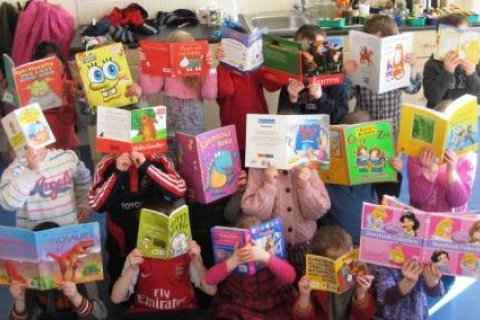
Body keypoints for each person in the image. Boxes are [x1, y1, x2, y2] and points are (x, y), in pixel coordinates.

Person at [344, 15, 421, 199]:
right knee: (365, 168)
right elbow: (347, 96)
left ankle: (388, 204)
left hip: (392, 130)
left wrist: (412, 70)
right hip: (365, 130)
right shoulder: (359, 64)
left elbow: (413, 89)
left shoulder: (398, 62)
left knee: (390, 170)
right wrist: (346, 75)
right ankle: (366, 202)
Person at [88, 151, 186, 289]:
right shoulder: (106, 164)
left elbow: (178, 190)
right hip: (120, 234)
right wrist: (117, 173)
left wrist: (146, 166)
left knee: (153, 276)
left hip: (154, 235)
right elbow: (97, 205)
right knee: (119, 272)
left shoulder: (159, 160)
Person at [110, 199, 216, 320]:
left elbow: (212, 290)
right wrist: (131, 269)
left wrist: (197, 262)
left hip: (183, 312)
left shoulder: (187, 252)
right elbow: (116, 298)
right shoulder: (137, 255)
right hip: (145, 313)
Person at [317, 110, 403, 245]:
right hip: (336, 241)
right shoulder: (326, 167)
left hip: (366, 237)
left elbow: (389, 196)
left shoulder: (375, 161)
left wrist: (394, 171)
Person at [138, 30, 219, 156]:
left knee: (192, 166)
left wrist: (211, 69)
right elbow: (148, 89)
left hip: (193, 134)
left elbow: (210, 95)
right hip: (170, 132)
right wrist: (144, 67)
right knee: (171, 164)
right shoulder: (166, 70)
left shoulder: (198, 68)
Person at [241, 164, 331, 278]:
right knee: (279, 292)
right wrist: (269, 186)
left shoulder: (306, 164)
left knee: (306, 290)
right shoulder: (258, 166)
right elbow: (252, 214)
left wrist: (305, 186)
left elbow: (319, 210)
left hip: (305, 247)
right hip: (270, 250)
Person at [8, 221, 107, 320]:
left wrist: (76, 298)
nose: (43, 265)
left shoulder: (82, 275)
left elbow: (99, 315)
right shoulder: (32, 279)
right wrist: (19, 302)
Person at [205, 215, 296, 319]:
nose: (250, 249)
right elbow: (209, 279)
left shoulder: (271, 250)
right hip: (239, 302)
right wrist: (233, 261)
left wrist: (265, 257)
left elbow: (291, 277)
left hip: (274, 300)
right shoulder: (234, 254)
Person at [216, 26, 280, 165]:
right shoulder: (221, 71)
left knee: (259, 174)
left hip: (259, 133)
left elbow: (272, 86)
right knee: (238, 176)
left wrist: (269, 61)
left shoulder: (254, 70)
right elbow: (226, 90)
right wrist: (222, 65)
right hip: (234, 134)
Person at [291, 225, 376, 320]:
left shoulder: (359, 269)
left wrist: (361, 294)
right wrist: (304, 296)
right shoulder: (311, 278)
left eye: (349, 258)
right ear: (321, 262)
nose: (346, 267)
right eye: (339, 264)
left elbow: (367, 315)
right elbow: (300, 318)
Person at [0, 144, 91, 229]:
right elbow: (8, 203)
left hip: (69, 233)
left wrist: (84, 203)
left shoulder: (67, 158)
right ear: (12, 151)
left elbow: (83, 178)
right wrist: (29, 171)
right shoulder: (14, 170)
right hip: (34, 238)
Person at [277, 24, 349, 125]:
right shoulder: (291, 80)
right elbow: (283, 122)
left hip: (329, 130)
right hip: (300, 132)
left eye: (318, 48)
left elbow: (340, 119)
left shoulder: (335, 79)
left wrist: (321, 97)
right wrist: (292, 99)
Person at [423, 13, 480, 109]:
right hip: (440, 116)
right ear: (438, 40)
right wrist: (447, 72)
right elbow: (432, 98)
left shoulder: (475, 63)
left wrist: (471, 74)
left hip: (465, 117)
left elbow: (478, 97)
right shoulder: (432, 64)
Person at [370, 257, 444, 320]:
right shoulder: (382, 261)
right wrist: (408, 282)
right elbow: (386, 297)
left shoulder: (422, 258)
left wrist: (433, 282)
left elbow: (437, 292)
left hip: (417, 314)